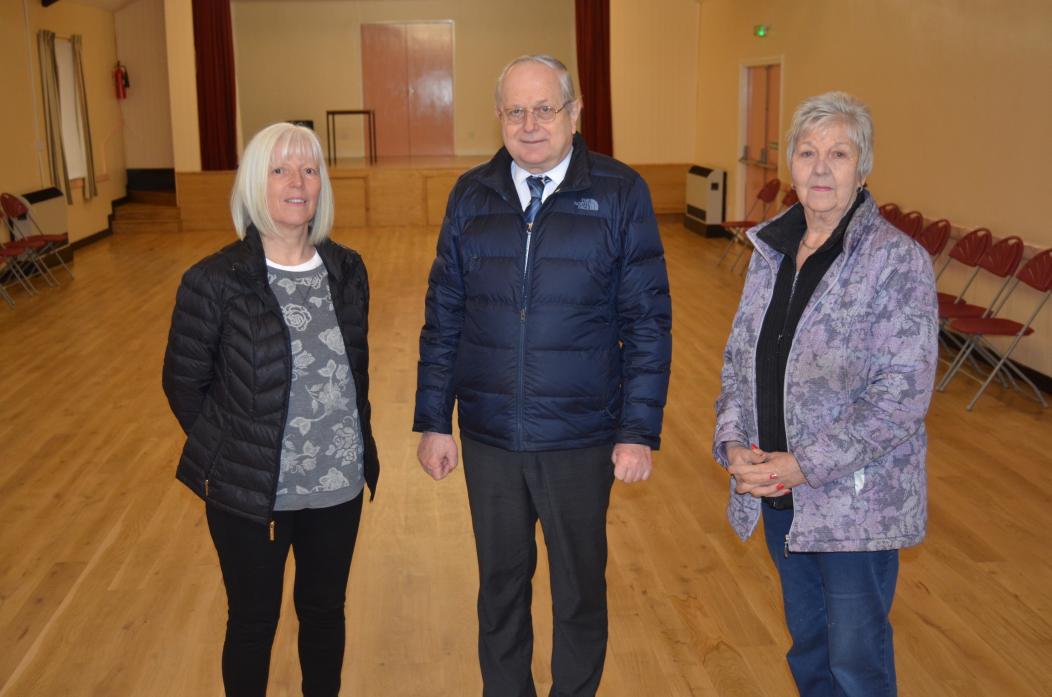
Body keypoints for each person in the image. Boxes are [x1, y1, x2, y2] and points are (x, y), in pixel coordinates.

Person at [413, 54, 672, 697]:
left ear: (575, 113)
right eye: (515, 111)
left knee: (579, 588)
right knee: (500, 585)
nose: (530, 125)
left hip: (580, 437)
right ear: (499, 117)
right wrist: (431, 421)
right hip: (490, 435)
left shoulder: (619, 192)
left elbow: (647, 322)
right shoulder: (471, 195)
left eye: (544, 109)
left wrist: (637, 430)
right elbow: (443, 313)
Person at [713, 92, 938, 697]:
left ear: (863, 169)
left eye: (838, 154)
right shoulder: (772, 252)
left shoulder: (896, 262)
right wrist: (736, 444)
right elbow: (740, 358)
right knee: (810, 650)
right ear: (789, 163)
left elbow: (900, 398)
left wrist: (802, 465)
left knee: (855, 663)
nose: (820, 167)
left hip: (853, 505)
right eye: (808, 152)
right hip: (778, 493)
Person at [162, 122, 379, 697]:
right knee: (254, 623)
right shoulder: (213, 280)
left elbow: (352, 371)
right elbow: (184, 384)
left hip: (337, 484)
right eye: (280, 170)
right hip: (252, 491)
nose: (297, 183)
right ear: (255, 184)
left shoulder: (348, 270)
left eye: (309, 169)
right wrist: (236, 450)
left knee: (325, 613)